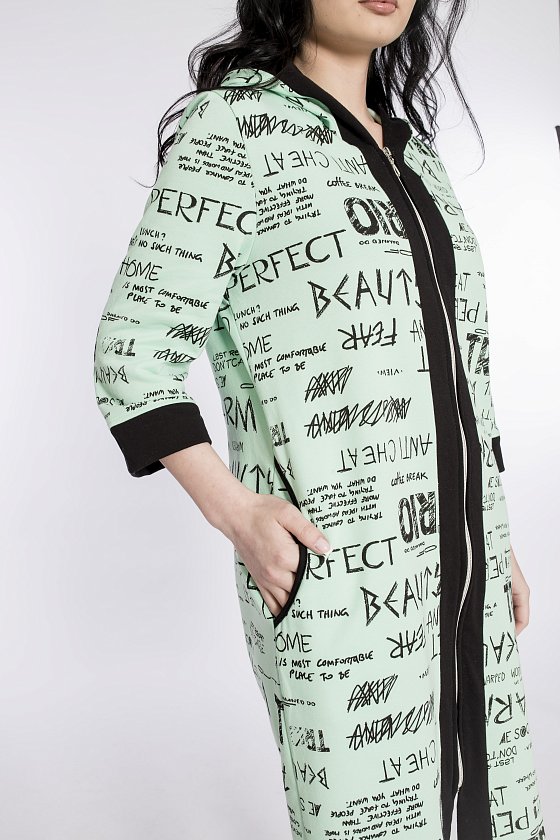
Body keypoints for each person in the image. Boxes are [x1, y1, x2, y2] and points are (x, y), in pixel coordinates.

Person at [92, 1, 547, 837]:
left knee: (495, 814)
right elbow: (134, 351)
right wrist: (240, 515)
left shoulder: (414, 152)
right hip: (338, 577)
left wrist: (492, 528)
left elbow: (460, 369)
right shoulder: (234, 128)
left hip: (464, 564)